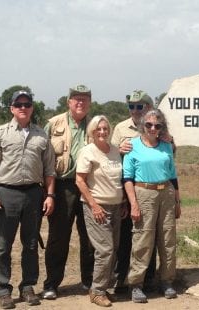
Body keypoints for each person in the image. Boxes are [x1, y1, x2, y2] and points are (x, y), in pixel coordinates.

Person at [0, 90, 56, 308]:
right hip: (6, 193)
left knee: (31, 244)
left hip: (33, 193)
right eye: (18, 104)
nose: (23, 107)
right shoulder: (0, 133)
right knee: (3, 245)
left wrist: (50, 195)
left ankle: (28, 287)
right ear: (11, 108)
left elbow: (49, 169)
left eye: (27, 104)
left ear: (32, 107)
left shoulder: (41, 135)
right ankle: (3, 289)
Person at [123, 109, 181, 303]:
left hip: (166, 192)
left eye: (157, 125)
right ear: (142, 125)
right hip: (143, 192)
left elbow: (173, 174)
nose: (153, 128)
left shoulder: (166, 146)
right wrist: (133, 204)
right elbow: (127, 178)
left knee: (167, 238)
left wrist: (177, 201)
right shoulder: (133, 145)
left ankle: (167, 281)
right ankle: (136, 284)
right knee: (143, 238)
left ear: (162, 127)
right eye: (149, 125)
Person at [42, 85, 95, 300]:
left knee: (91, 237)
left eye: (84, 99)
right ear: (68, 102)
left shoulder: (95, 125)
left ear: (90, 103)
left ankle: (89, 281)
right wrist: (47, 192)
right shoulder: (53, 124)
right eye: (76, 99)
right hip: (62, 187)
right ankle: (52, 284)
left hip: (90, 187)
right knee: (58, 238)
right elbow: (43, 158)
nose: (80, 102)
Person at [76, 115, 126, 307]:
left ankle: (103, 288)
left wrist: (122, 202)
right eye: (99, 129)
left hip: (115, 206)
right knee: (104, 250)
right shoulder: (88, 152)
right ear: (92, 131)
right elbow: (80, 180)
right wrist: (94, 206)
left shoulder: (114, 150)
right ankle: (96, 291)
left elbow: (116, 180)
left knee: (113, 249)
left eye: (105, 128)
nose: (103, 132)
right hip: (96, 207)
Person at [110, 90, 157, 293]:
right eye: (132, 106)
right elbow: (110, 157)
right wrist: (118, 150)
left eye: (140, 106)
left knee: (149, 234)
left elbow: (169, 152)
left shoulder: (157, 126)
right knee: (126, 235)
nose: (136, 110)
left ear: (149, 107)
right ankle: (122, 277)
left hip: (150, 187)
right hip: (126, 187)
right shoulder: (121, 128)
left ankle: (147, 277)